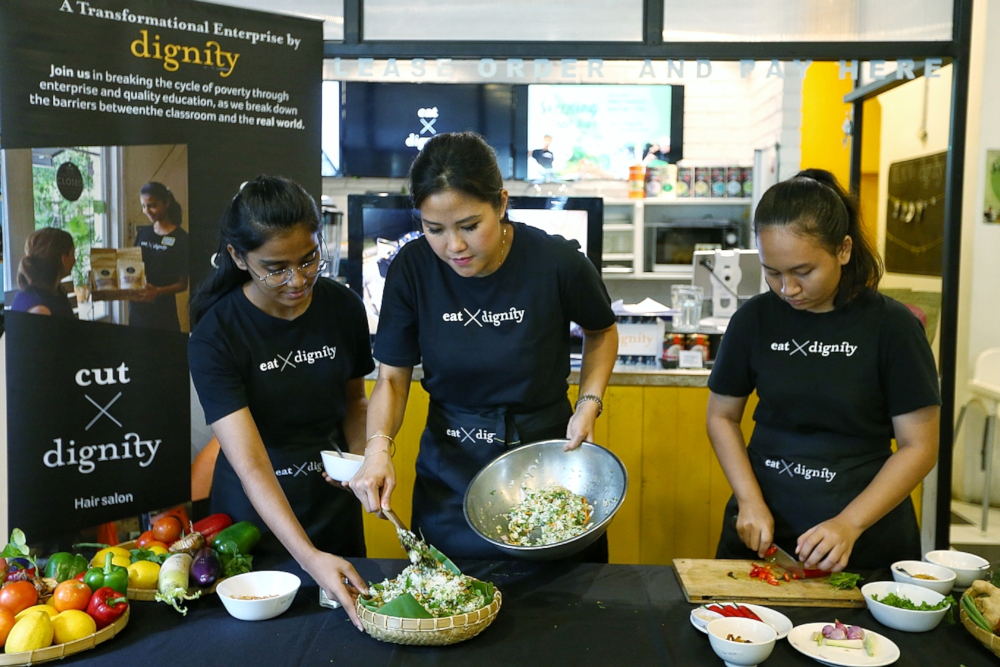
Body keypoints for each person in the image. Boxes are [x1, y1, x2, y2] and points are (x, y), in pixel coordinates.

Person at [348, 132, 619, 560]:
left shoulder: (556, 261)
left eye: (470, 226)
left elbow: (601, 331)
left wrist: (589, 402)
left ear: (502, 203)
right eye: (434, 229)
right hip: (452, 470)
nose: (453, 246)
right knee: (450, 601)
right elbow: (392, 379)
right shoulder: (412, 268)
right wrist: (377, 449)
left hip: (546, 460)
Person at [707, 169, 940, 572]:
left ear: (844, 249)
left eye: (803, 272)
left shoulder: (893, 327)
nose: (787, 289)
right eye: (772, 272)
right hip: (765, 527)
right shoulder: (754, 320)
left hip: (864, 536)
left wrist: (849, 523)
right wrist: (748, 499)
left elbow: (919, 447)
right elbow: (722, 416)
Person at [188, 176, 372, 628]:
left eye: (309, 259)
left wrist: (361, 465)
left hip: (333, 503)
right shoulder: (217, 335)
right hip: (254, 520)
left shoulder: (343, 307)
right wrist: (309, 557)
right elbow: (250, 464)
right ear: (237, 256)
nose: (298, 279)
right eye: (275, 267)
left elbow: (355, 401)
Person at [130, 182, 189, 331]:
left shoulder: (181, 239)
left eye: (152, 205)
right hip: (138, 313)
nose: (147, 211)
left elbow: (183, 284)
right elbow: (132, 268)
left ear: (166, 203)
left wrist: (157, 291)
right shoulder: (143, 233)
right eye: (143, 206)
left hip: (163, 314)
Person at [11, 227, 75, 317]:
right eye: (72, 254)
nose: (74, 260)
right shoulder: (40, 310)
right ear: (64, 259)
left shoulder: (56, 291)